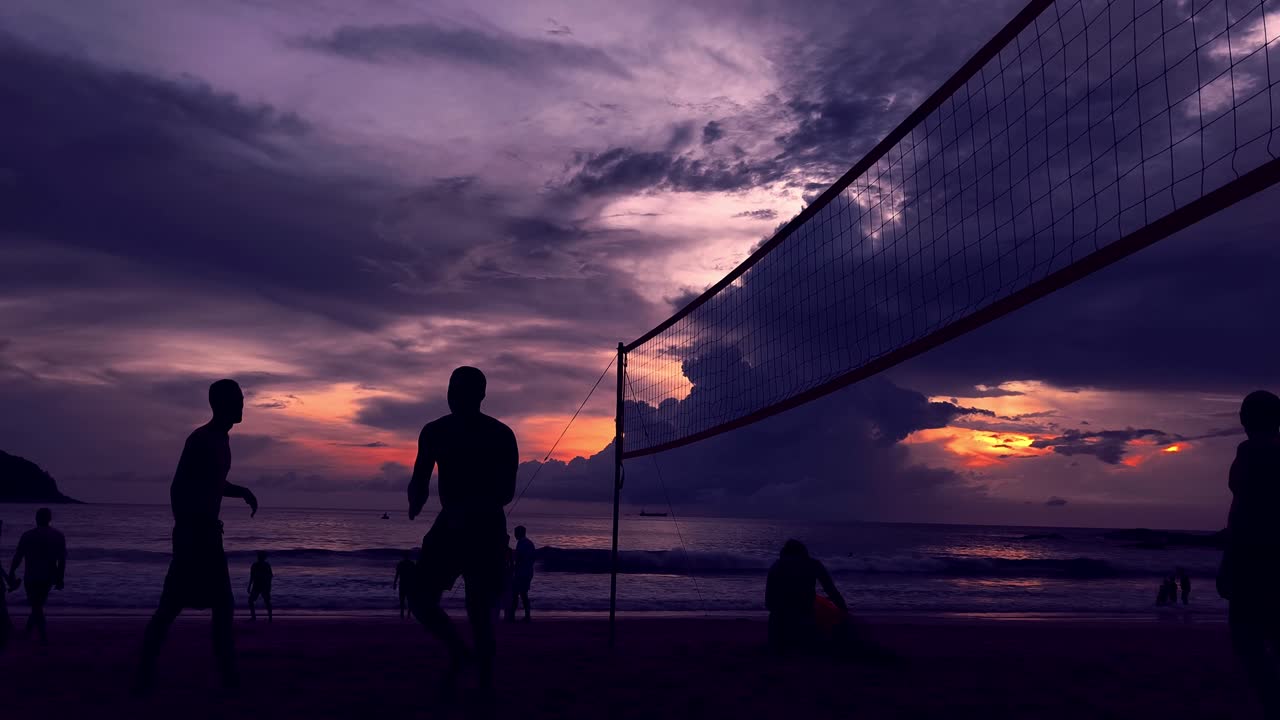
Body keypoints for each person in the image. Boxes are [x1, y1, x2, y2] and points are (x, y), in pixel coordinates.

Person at [133, 379, 259, 695]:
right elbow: (178, 488)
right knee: (176, 606)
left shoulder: (221, 440)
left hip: (205, 535)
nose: (243, 405)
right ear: (220, 404)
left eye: (242, 399)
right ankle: (150, 671)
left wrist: (239, 491)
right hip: (196, 537)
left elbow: (213, 481)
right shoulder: (201, 439)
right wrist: (189, 528)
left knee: (214, 605)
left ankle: (225, 675)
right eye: (238, 399)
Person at [407, 366, 518, 697]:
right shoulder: (435, 432)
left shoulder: (500, 434)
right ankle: (460, 652)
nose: (455, 397)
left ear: (480, 396)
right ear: (448, 393)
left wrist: (470, 505)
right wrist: (416, 500)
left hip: (481, 525)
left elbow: (506, 492)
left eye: (462, 391)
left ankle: (483, 678)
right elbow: (420, 478)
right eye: (453, 390)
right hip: (453, 522)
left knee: (478, 610)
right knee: (422, 599)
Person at [1218, 390, 1280, 718]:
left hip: (1254, 569)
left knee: (1249, 645)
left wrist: (1229, 564)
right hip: (1263, 566)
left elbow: (1244, 517)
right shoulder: (1252, 454)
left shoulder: (1253, 455)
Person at [765, 539, 847, 654]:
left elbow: (768, 602)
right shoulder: (813, 565)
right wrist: (844, 610)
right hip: (805, 616)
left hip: (780, 621)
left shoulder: (777, 566)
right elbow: (831, 590)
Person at [8, 507, 67, 644]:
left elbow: (18, 556)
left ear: (36, 519)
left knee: (36, 605)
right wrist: (60, 578)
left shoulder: (27, 535)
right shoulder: (58, 536)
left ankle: (41, 636)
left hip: (31, 576)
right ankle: (30, 632)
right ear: (50, 519)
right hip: (48, 577)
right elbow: (62, 560)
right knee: (37, 604)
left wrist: (12, 571)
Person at [508, 525, 535, 623]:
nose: (514, 535)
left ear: (519, 533)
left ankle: (513, 616)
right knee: (523, 594)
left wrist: (513, 568)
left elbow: (519, 558)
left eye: (516, 533)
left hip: (521, 573)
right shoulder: (529, 543)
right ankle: (527, 615)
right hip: (528, 572)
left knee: (516, 594)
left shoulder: (521, 543)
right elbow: (532, 558)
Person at [248, 551, 273, 623]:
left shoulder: (266, 565)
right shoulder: (254, 565)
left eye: (261, 556)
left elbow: (270, 577)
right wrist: (249, 586)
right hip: (257, 585)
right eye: (259, 556)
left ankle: (270, 618)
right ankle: (254, 617)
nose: (259, 557)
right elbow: (252, 576)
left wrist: (268, 587)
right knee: (250, 601)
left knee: (267, 602)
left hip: (264, 586)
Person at [393, 550, 416, 620]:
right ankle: (408, 614)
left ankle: (402, 614)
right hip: (410, 584)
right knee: (409, 600)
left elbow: (397, 574)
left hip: (403, 583)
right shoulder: (412, 564)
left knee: (402, 599)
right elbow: (415, 575)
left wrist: (394, 583)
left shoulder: (400, 564)